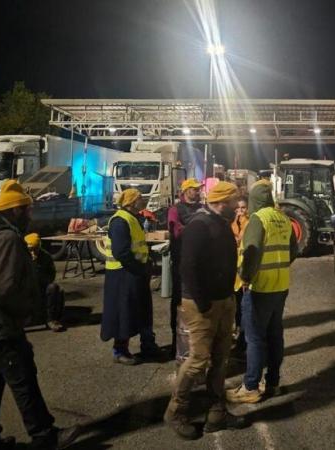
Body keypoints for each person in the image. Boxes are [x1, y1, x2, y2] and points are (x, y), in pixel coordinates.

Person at [0, 179, 78, 450]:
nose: (31, 216)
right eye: (28, 210)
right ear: (17, 211)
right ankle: (44, 435)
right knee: (23, 377)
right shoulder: (8, 238)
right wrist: (23, 315)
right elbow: (5, 287)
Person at [164, 181, 247, 440]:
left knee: (221, 359)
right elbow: (187, 267)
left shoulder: (220, 222)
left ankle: (217, 412)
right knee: (198, 360)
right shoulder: (199, 226)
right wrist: (203, 303)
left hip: (224, 301)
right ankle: (175, 412)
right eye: (234, 203)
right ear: (222, 202)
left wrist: (229, 297)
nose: (238, 208)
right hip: (203, 305)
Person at [227, 180, 297, 404]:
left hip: (260, 287)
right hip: (281, 285)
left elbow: (251, 251)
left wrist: (245, 277)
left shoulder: (258, 219)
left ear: (255, 199)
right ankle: (273, 383)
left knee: (255, 338)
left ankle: (250, 387)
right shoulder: (283, 218)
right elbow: (293, 251)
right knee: (275, 335)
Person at [100, 188, 159, 365]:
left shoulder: (133, 218)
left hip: (134, 273)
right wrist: (140, 268)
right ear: (132, 202)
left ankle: (147, 344)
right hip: (123, 274)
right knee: (123, 313)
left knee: (141, 310)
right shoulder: (120, 221)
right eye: (140, 198)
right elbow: (121, 252)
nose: (144, 200)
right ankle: (120, 350)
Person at [167, 178, 203, 360]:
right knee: (179, 302)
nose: (198, 192)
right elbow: (176, 232)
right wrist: (198, 227)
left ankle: (196, 342)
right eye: (195, 189)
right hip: (181, 263)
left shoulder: (201, 208)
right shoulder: (175, 210)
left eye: (199, 190)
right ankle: (177, 342)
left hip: (200, 263)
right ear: (186, 190)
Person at [25, 233, 66, 332]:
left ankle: (51, 319)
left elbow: (51, 275)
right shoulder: (20, 256)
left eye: (35, 248)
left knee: (53, 288)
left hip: (41, 286)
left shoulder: (45, 257)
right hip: (25, 287)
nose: (33, 252)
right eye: (30, 249)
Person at [231, 196, 249, 358]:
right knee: (235, 308)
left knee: (243, 309)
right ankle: (237, 332)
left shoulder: (249, 224)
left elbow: (238, 240)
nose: (240, 212)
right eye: (237, 209)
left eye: (243, 208)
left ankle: (242, 342)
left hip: (242, 274)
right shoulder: (231, 223)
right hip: (232, 272)